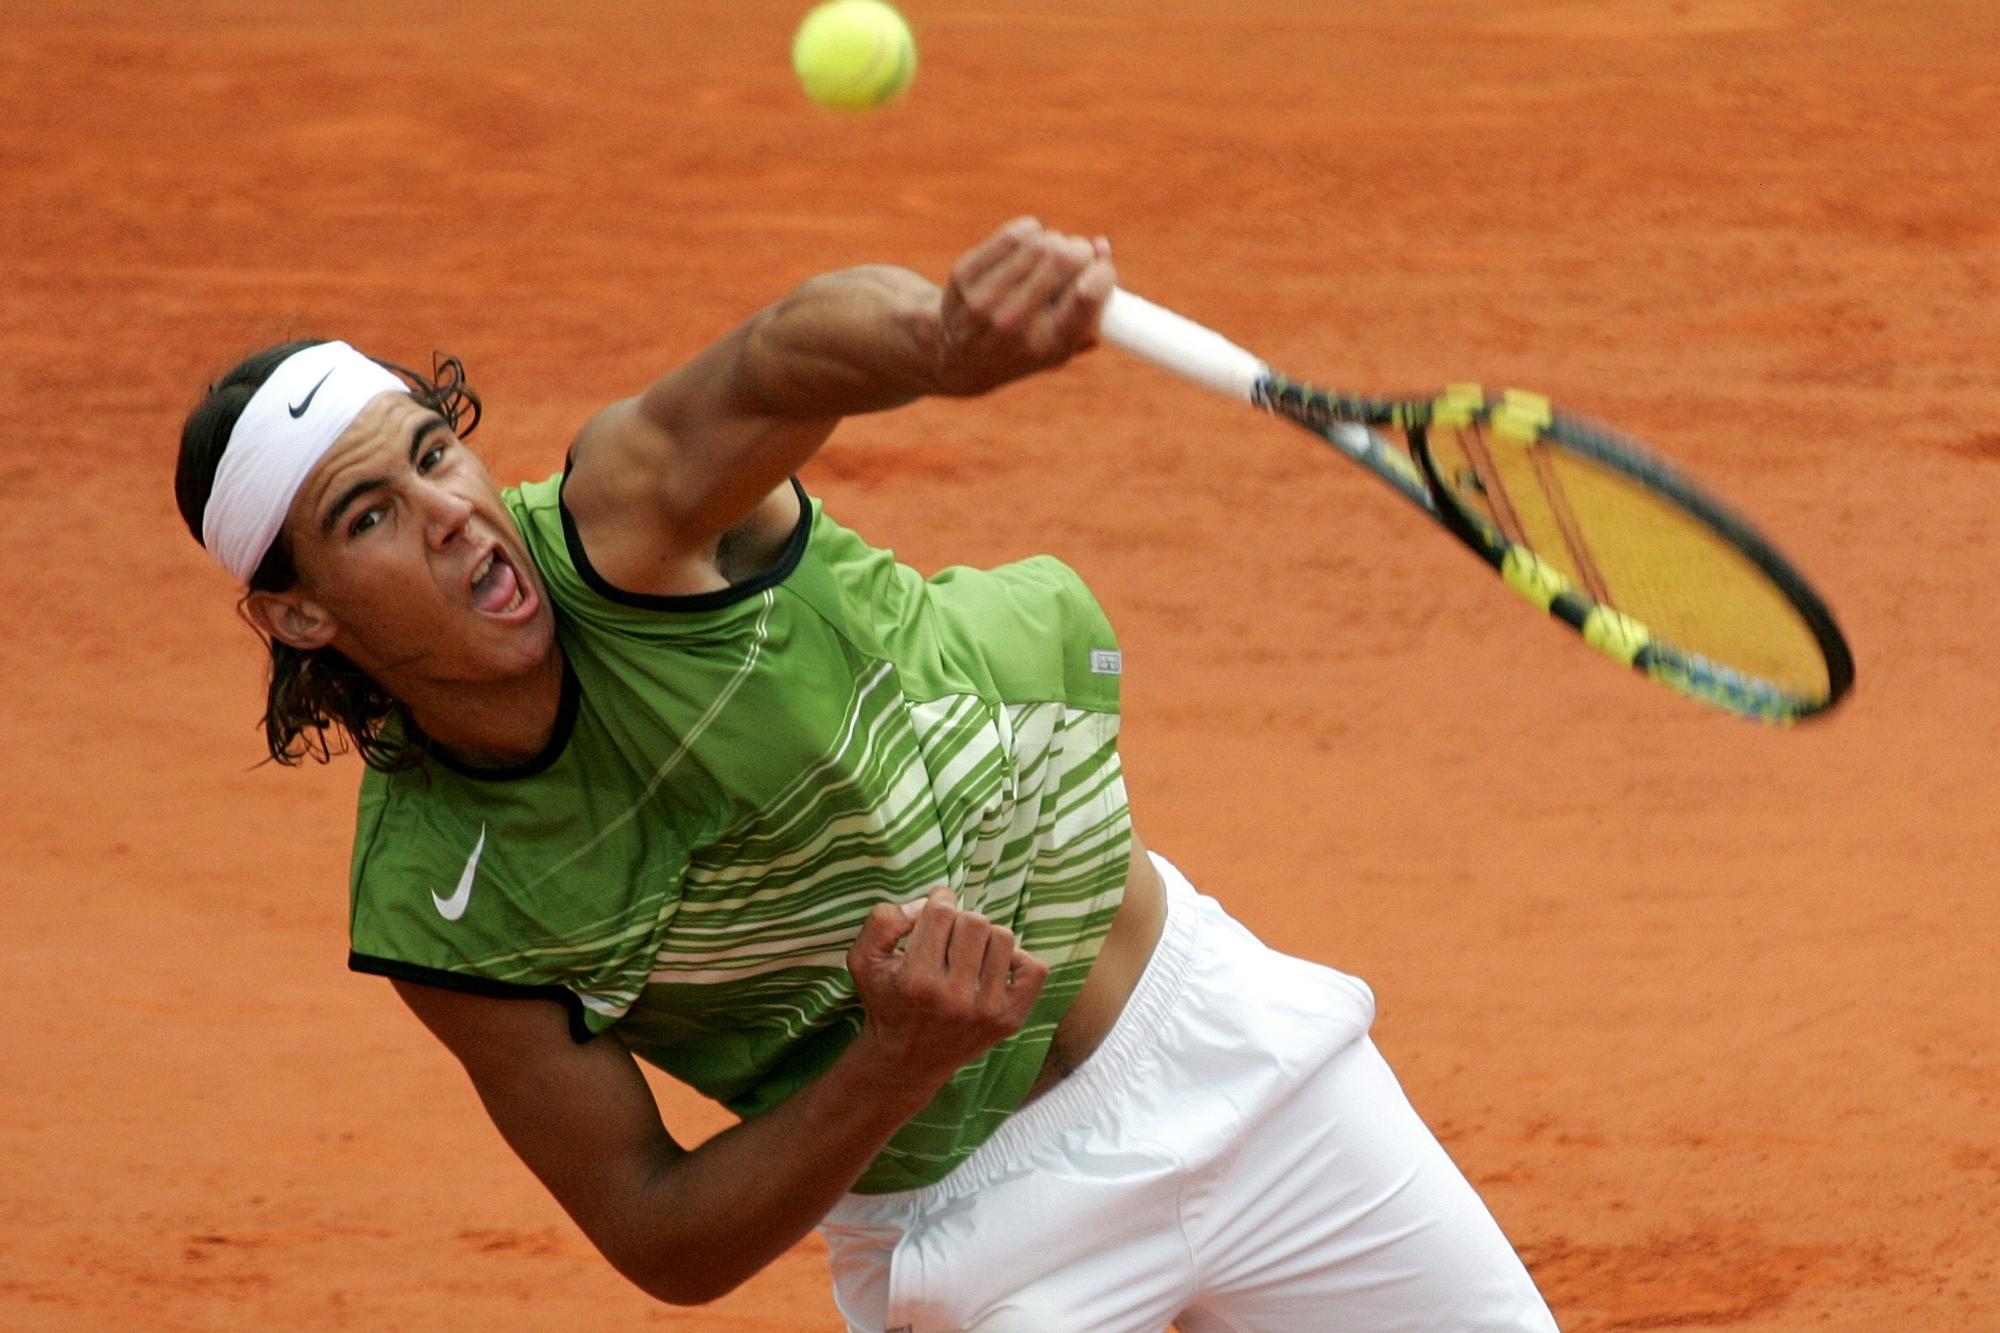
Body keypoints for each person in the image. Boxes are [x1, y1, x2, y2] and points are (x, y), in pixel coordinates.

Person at [176, 218, 1559, 1331]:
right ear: (302, 613)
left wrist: (943, 338)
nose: (451, 516)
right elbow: (658, 1229)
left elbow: (780, 358)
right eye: (370, 518)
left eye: (437, 456)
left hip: (1227, 1051)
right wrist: (894, 1062)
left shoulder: (629, 521)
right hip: (972, 1229)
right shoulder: (440, 903)